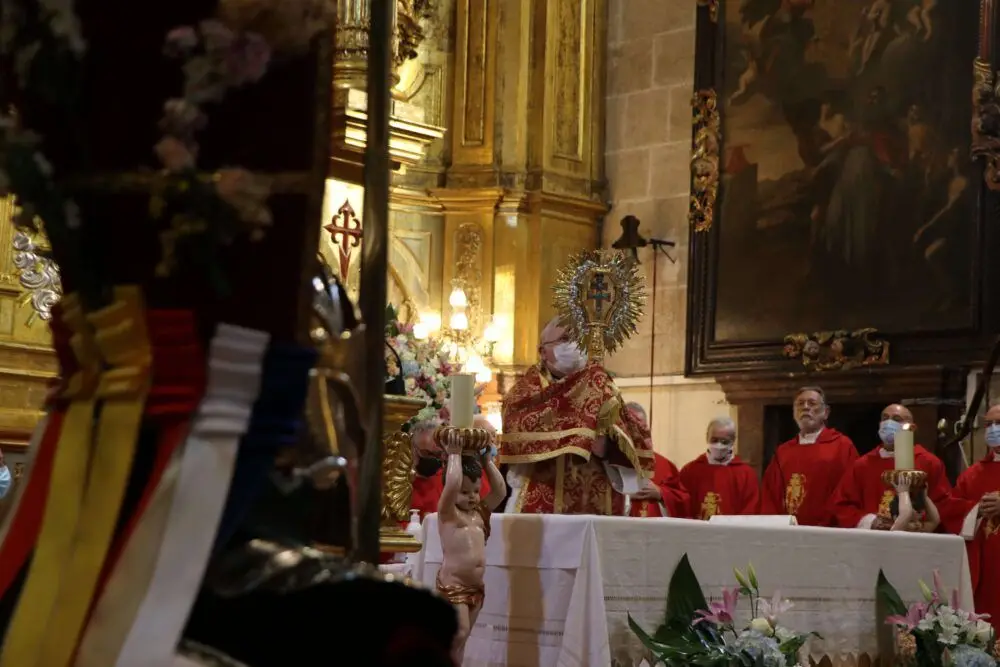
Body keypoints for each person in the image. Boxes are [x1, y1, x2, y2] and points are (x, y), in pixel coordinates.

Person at [500, 318, 654, 514]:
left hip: (600, 500)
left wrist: (607, 445)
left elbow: (630, 430)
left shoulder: (601, 385)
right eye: (565, 339)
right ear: (543, 352)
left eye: (578, 339)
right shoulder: (526, 392)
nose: (574, 345)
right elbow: (515, 430)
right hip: (544, 502)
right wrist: (576, 431)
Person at [436, 433, 506, 664]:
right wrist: (454, 455)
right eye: (465, 492)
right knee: (459, 632)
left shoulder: (478, 514)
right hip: (454, 585)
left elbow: (500, 492)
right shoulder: (449, 514)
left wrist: (487, 462)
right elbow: (452, 484)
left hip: (476, 587)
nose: (472, 497)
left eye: (475, 491)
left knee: (463, 640)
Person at [830, 403, 952, 530]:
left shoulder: (929, 462)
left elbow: (944, 505)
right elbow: (842, 505)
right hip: (873, 538)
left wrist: (917, 524)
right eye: (885, 418)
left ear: (912, 428)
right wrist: (872, 522)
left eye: (896, 419)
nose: (888, 423)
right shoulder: (862, 465)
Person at [759, 386, 858, 525]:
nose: (805, 407)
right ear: (794, 412)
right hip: (788, 530)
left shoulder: (842, 446)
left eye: (812, 403)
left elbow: (850, 491)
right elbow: (769, 495)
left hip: (828, 529)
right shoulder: (783, 451)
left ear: (826, 412)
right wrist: (776, 525)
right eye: (800, 404)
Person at [945, 403, 1000, 629]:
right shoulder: (972, 475)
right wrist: (977, 509)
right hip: (985, 568)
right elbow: (952, 512)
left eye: (999, 423)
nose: (994, 429)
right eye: (989, 424)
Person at [410, 417, 493, 519]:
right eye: (427, 453)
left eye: (440, 453)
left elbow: (490, 501)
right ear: (413, 450)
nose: (437, 459)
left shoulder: (464, 474)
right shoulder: (406, 485)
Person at [679, 416, 759, 520]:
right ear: (707, 437)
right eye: (714, 440)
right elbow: (681, 507)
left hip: (732, 529)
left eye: (724, 441)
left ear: (733, 440)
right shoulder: (689, 471)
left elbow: (750, 510)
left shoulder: (746, 474)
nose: (719, 445)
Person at [623, 403, 689, 518]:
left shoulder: (666, 466)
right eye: (631, 428)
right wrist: (626, 498)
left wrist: (661, 493)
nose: (637, 434)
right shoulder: (609, 464)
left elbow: (683, 501)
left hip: (656, 528)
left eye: (641, 428)